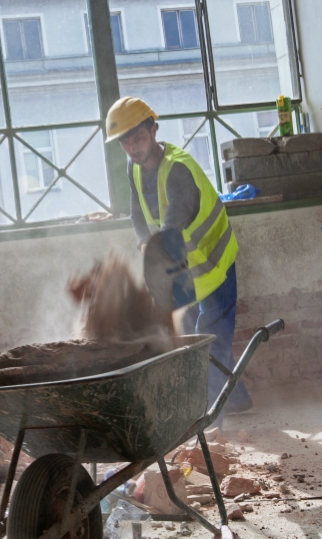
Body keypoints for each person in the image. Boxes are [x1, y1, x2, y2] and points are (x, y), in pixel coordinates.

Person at [105, 96, 252, 424]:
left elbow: (176, 215)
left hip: (214, 262)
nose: (133, 147)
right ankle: (238, 399)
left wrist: (156, 261)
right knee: (187, 338)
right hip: (184, 267)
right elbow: (136, 213)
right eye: (125, 141)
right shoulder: (134, 167)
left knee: (209, 339)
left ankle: (211, 419)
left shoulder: (177, 168)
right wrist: (144, 243)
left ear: (154, 130)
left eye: (139, 137)